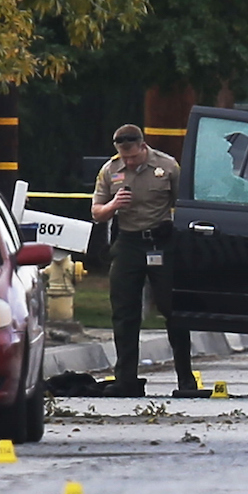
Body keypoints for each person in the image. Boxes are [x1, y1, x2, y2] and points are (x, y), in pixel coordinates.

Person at [91, 124, 197, 396]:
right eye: (123, 157)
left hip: (161, 241)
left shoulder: (167, 166)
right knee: (124, 312)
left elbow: (184, 204)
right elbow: (97, 212)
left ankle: (186, 379)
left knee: (173, 309)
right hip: (128, 242)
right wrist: (114, 205)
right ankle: (126, 379)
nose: (128, 161)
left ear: (142, 146)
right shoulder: (110, 170)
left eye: (133, 156)